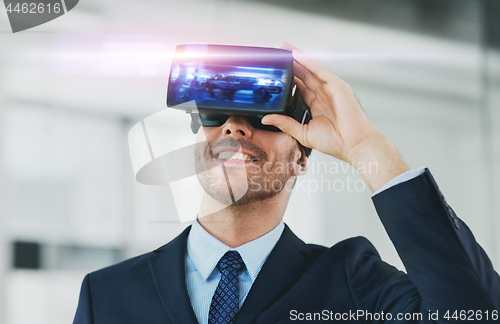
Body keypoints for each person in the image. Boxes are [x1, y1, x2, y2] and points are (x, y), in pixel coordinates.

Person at [73, 43, 500, 324]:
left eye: (264, 118)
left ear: (301, 156)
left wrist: (366, 146)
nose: (235, 129)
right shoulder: (107, 293)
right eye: (215, 115)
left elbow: (474, 314)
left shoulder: (351, 282)